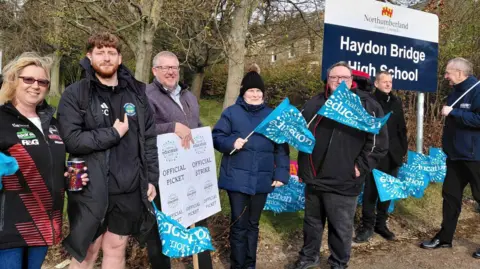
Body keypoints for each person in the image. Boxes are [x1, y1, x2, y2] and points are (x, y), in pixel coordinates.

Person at [57, 32, 159, 269]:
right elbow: (71, 140)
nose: (106, 58)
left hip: (129, 189)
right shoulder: (76, 93)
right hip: (90, 189)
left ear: (120, 58)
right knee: (87, 252)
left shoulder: (137, 94)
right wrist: (113, 133)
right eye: (99, 52)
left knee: (116, 248)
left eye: (111, 53)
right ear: (89, 56)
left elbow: (150, 140)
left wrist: (151, 178)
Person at [293, 62, 388, 269]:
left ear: (352, 80)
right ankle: (309, 258)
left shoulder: (367, 106)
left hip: (344, 178)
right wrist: (303, 168)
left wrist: (360, 167)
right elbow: (300, 136)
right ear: (327, 80)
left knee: (341, 226)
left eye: (343, 78)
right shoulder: (315, 103)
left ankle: (338, 262)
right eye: (334, 77)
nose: (338, 81)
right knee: (312, 224)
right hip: (314, 176)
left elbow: (378, 144)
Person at [0, 52, 88, 269]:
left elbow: (49, 166)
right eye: (28, 79)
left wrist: (67, 179)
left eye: (42, 81)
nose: (35, 86)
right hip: (8, 226)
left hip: (43, 223)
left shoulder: (53, 123)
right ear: (14, 80)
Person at [212, 64, 290, 269]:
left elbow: (281, 148)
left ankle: (250, 264)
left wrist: (281, 173)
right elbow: (217, 137)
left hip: (262, 179)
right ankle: (237, 265)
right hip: (236, 179)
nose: (255, 94)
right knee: (239, 226)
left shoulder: (273, 116)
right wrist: (231, 143)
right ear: (243, 92)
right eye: (251, 90)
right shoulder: (231, 113)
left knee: (253, 225)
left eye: (258, 91)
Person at [145, 51, 210, 268]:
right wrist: (171, 128)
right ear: (155, 71)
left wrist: (204, 137)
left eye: (175, 67)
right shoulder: (146, 95)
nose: (172, 71)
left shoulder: (188, 96)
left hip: (191, 171)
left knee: (198, 218)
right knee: (161, 227)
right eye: (166, 68)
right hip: (161, 172)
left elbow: (194, 125)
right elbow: (140, 130)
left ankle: (202, 264)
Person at [420, 57, 480, 259]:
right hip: (455, 156)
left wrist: (455, 112)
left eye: (448, 72)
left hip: (475, 157)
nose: (445, 76)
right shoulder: (455, 90)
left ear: (460, 72)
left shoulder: (478, 90)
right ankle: (445, 238)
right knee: (450, 197)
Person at [354, 71, 408, 243]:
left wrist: (402, 150)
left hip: (393, 155)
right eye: (384, 81)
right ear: (376, 84)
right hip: (375, 154)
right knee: (371, 192)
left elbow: (402, 129)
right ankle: (367, 226)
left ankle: (381, 224)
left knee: (387, 191)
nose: (388, 84)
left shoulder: (396, 101)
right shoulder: (370, 102)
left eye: (390, 82)